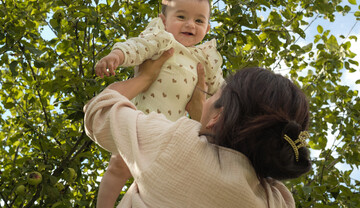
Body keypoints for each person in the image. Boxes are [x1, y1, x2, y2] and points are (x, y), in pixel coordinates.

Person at [84, 50, 312, 208]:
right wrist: (202, 119)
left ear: (218, 116)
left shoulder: (175, 140)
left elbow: (98, 110)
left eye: (212, 95)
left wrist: (146, 78)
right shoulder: (277, 200)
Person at [95, 0, 224, 207]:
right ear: (163, 20)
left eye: (199, 21)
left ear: (208, 28)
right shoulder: (161, 40)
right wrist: (116, 55)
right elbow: (137, 46)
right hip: (139, 121)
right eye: (181, 16)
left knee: (162, 182)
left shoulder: (205, 58)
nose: (190, 24)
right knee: (119, 166)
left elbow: (221, 90)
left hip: (172, 132)